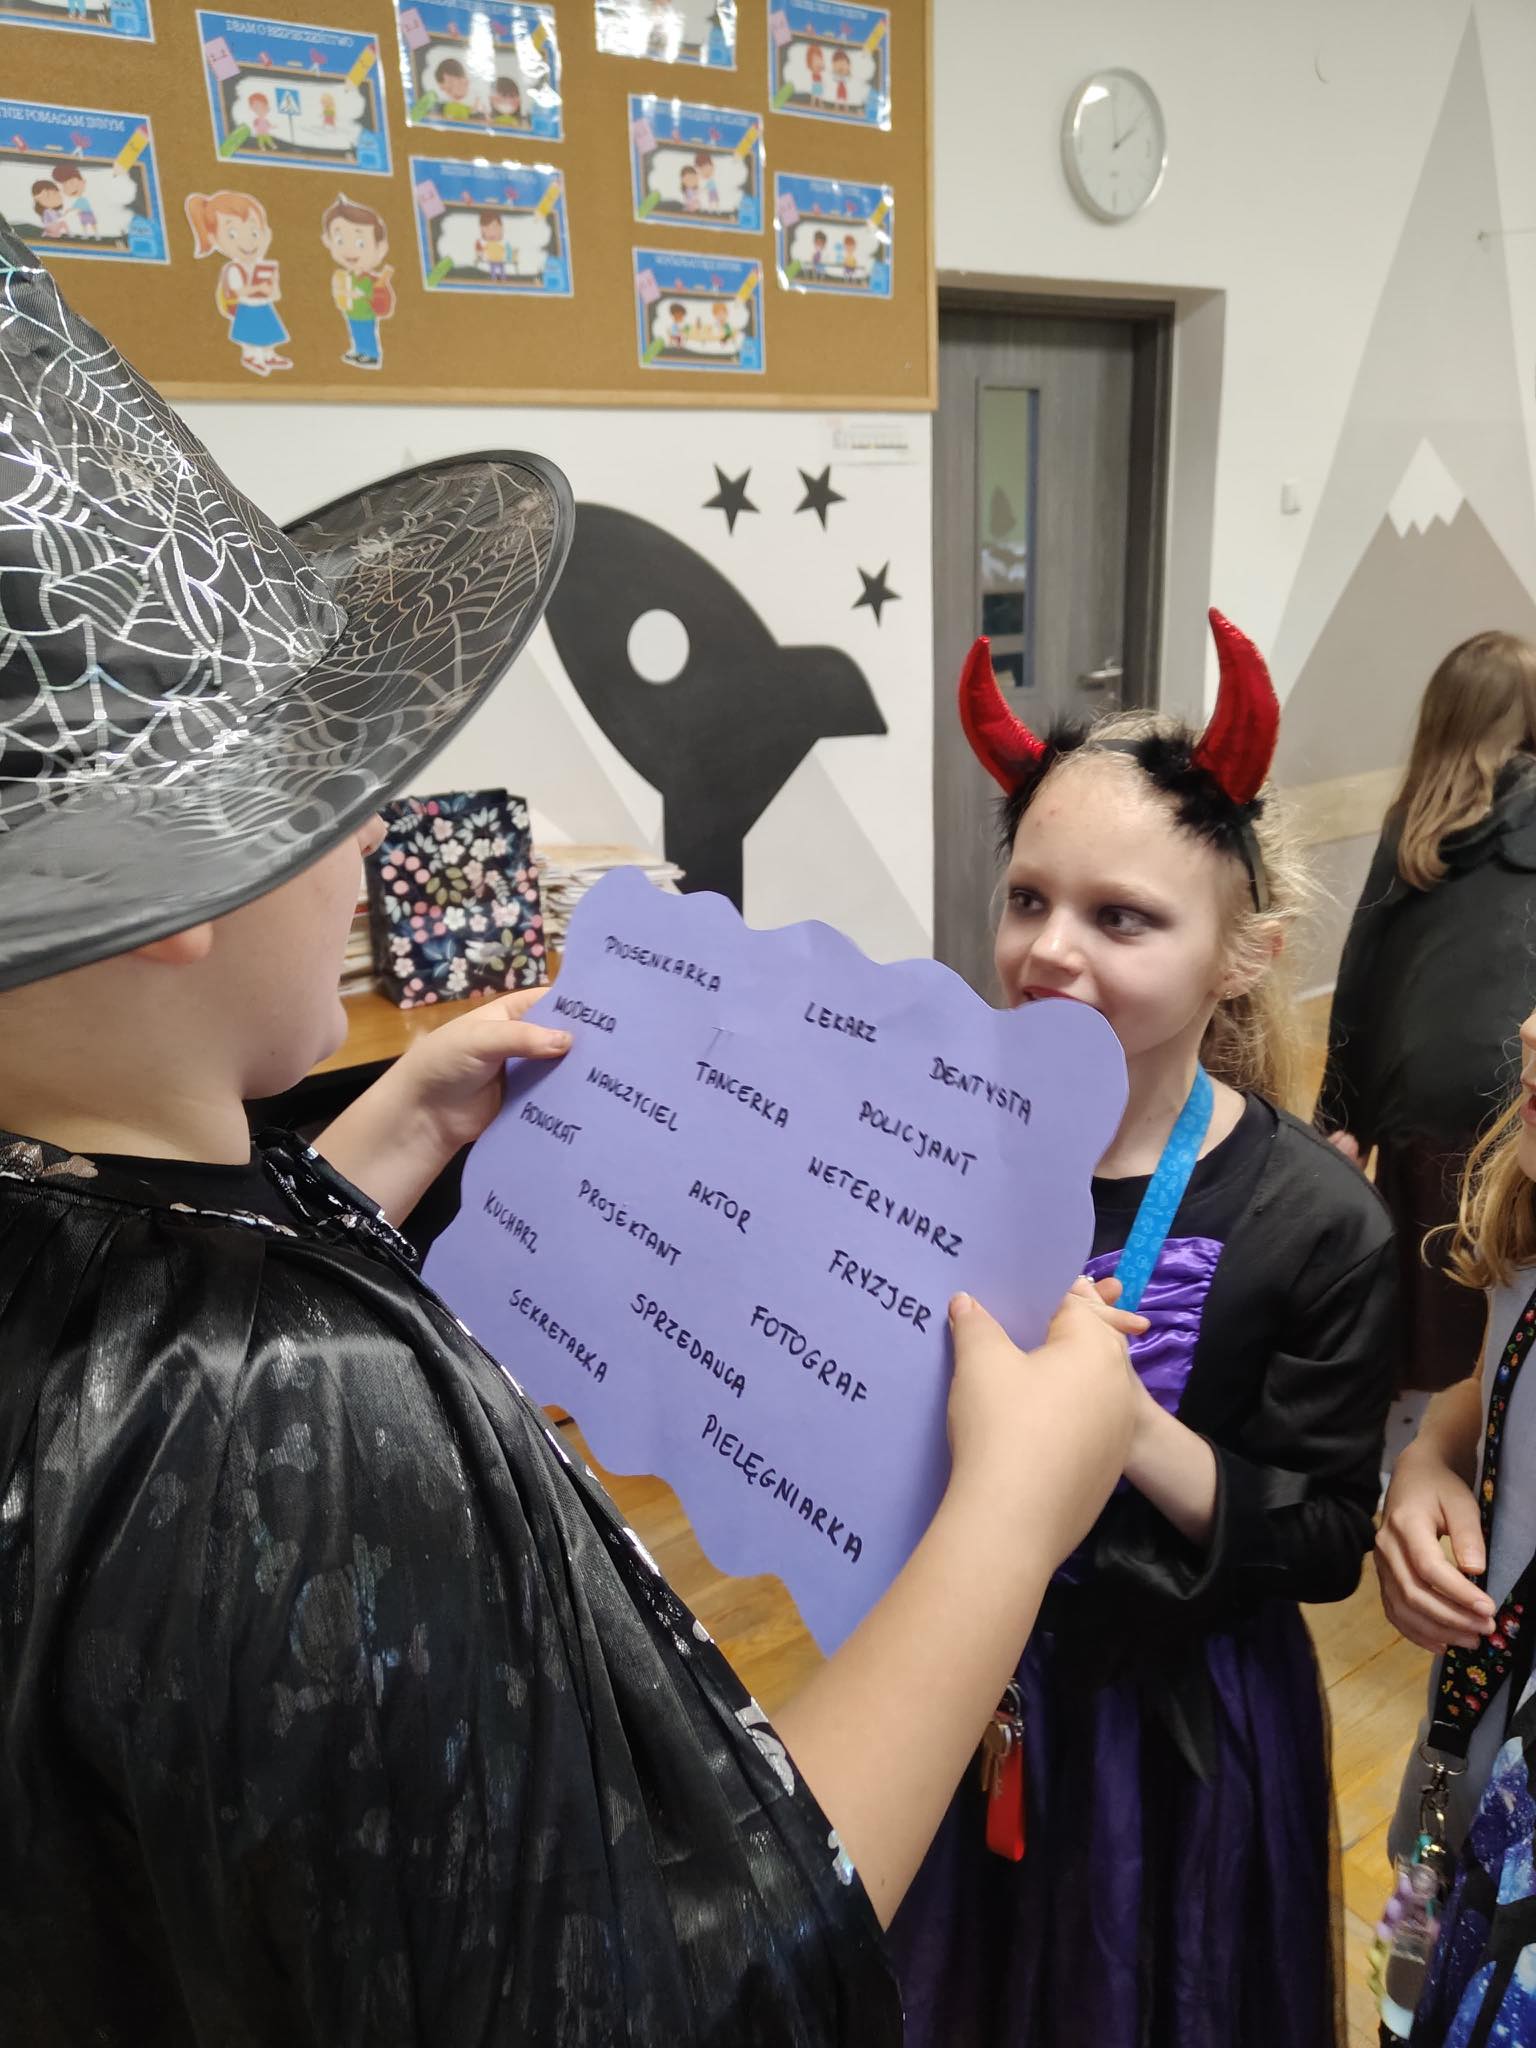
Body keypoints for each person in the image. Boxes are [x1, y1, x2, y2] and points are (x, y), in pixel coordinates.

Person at [0, 228, 1144, 2045]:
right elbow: (679, 1999)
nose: (374, 841)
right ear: (166, 884)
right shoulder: (307, 1426)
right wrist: (1010, 1520)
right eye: (334, 790)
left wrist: (371, 1156)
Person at [888, 619, 1399, 2048]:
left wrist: (1128, 1428)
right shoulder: (936, 1150)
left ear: (1244, 957)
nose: (1049, 950)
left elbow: (1324, 1534)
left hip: (1173, 1738)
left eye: (1121, 918)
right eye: (1028, 899)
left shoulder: (1316, 1223)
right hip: (966, 1673)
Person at [1373, 1017, 1536, 2042]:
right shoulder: (1530, 1213)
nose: (1528, 1027)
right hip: (1461, 1778)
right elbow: (1490, 1378)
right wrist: (1431, 1452)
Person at [1318, 631, 1536, 1396]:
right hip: (1518, 1079)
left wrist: (1335, 1125)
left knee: (1425, 1280)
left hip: (1416, 1087)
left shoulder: (1412, 824)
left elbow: (1360, 981)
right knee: (1506, 1262)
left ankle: (1417, 1416)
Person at [184, 188, 291, 377]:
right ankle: (252, 357)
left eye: (254, 232)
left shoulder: (261, 266)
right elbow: (239, 291)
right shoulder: (233, 269)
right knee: (251, 336)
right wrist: (258, 287)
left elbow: (275, 293)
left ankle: (269, 355)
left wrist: (272, 288)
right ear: (213, 238)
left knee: (269, 333)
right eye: (232, 234)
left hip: (263, 305)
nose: (247, 241)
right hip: (247, 308)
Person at [321, 194, 394, 368]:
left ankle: (371, 354)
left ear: (380, 248)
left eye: (361, 243)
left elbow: (366, 294)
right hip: (352, 313)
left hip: (365, 314)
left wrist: (354, 294)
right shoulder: (348, 276)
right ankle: (360, 351)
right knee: (356, 334)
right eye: (339, 240)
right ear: (328, 241)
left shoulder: (369, 279)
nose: (349, 250)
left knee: (366, 334)